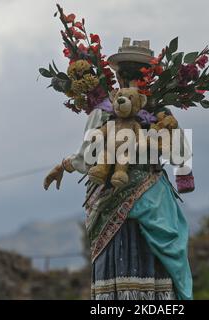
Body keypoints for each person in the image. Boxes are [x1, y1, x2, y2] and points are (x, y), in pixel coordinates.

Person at [44, 38, 193, 300]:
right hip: (155, 200)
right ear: (151, 75)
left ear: (117, 75)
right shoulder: (162, 113)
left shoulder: (102, 113)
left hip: (110, 195)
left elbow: (86, 159)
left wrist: (63, 165)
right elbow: (181, 155)